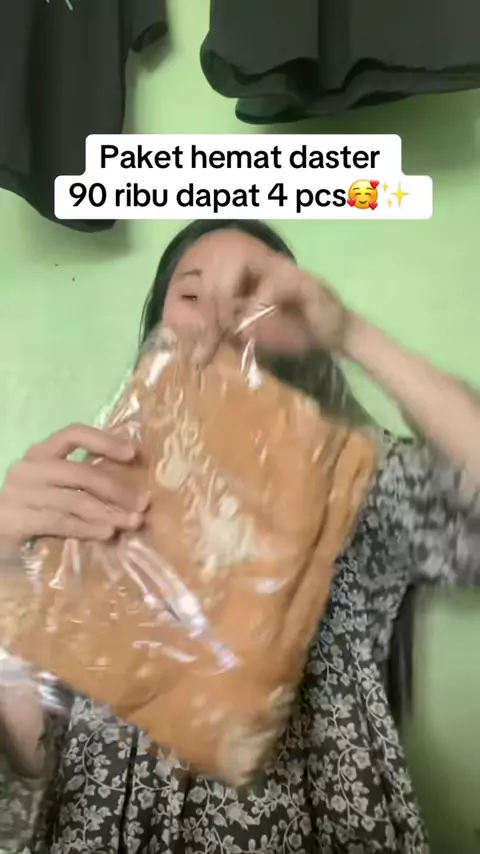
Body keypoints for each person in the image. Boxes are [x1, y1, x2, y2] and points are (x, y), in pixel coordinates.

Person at [0, 219, 479, 854]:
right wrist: (3, 563)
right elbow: (27, 755)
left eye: (256, 292)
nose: (223, 316)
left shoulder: (352, 484)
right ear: (158, 324)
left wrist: (350, 333)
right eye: (192, 294)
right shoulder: (84, 497)